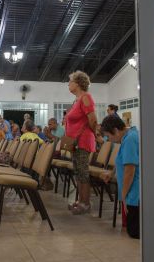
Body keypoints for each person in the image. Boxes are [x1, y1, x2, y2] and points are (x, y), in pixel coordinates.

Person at [100, 115, 140, 239]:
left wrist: (123, 195)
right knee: (132, 231)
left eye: (108, 135)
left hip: (134, 195)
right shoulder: (128, 137)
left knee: (134, 232)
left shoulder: (130, 140)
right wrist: (111, 174)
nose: (108, 139)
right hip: (132, 194)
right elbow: (122, 160)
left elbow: (130, 170)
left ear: (116, 130)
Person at [65, 71, 97, 215]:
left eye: (70, 81)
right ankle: (79, 201)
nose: (69, 84)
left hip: (82, 141)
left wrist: (90, 134)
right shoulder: (77, 100)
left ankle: (86, 203)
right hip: (75, 142)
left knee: (83, 172)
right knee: (78, 172)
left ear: (78, 83)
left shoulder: (86, 97)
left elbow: (93, 120)